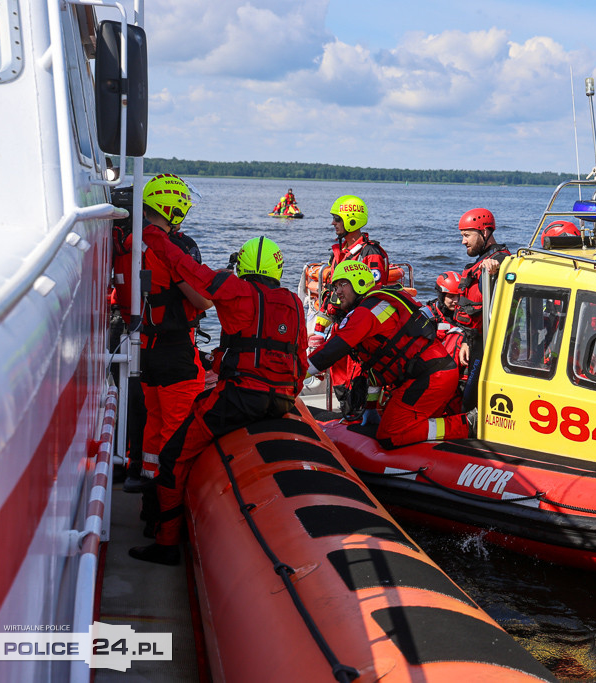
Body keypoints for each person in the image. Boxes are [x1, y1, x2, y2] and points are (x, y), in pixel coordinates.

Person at [129, 236, 308, 565]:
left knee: (172, 457)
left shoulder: (234, 289)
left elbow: (188, 268)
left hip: (240, 398)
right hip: (282, 400)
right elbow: (300, 361)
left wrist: (153, 237)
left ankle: (167, 542)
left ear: (242, 266)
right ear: (277, 267)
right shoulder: (295, 304)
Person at [112, 174, 212, 494]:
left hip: (137, 341)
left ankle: (143, 473)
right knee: (178, 426)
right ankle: (169, 492)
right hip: (174, 350)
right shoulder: (178, 247)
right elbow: (202, 299)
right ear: (174, 209)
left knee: (150, 417)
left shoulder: (126, 241)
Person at [308, 261, 471, 449]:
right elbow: (374, 369)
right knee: (392, 423)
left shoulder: (366, 313)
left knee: (390, 434)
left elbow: (332, 350)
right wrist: (370, 408)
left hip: (432, 377)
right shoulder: (374, 306)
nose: (337, 292)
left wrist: (297, 375)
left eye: (341, 285)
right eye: (335, 286)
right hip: (426, 375)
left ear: (358, 282)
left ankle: (466, 425)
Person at [308, 195, 390, 413]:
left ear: (351, 219)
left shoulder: (369, 255)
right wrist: (318, 330)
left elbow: (373, 296)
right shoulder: (341, 253)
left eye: (337, 218)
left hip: (358, 335)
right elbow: (330, 295)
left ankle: (357, 423)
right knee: (341, 387)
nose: (333, 223)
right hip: (340, 330)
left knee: (355, 391)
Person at [453, 208, 510, 411]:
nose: (463, 241)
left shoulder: (500, 260)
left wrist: (495, 271)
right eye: (462, 236)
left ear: (485, 233)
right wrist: (466, 341)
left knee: (469, 400)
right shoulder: (481, 260)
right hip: (475, 340)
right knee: (465, 393)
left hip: (488, 345)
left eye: (467, 235)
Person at [425, 271, 468, 413]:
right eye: (450, 296)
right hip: (434, 370)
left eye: (458, 296)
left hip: (456, 371)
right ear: (441, 295)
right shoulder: (428, 315)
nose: (455, 300)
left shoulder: (465, 315)